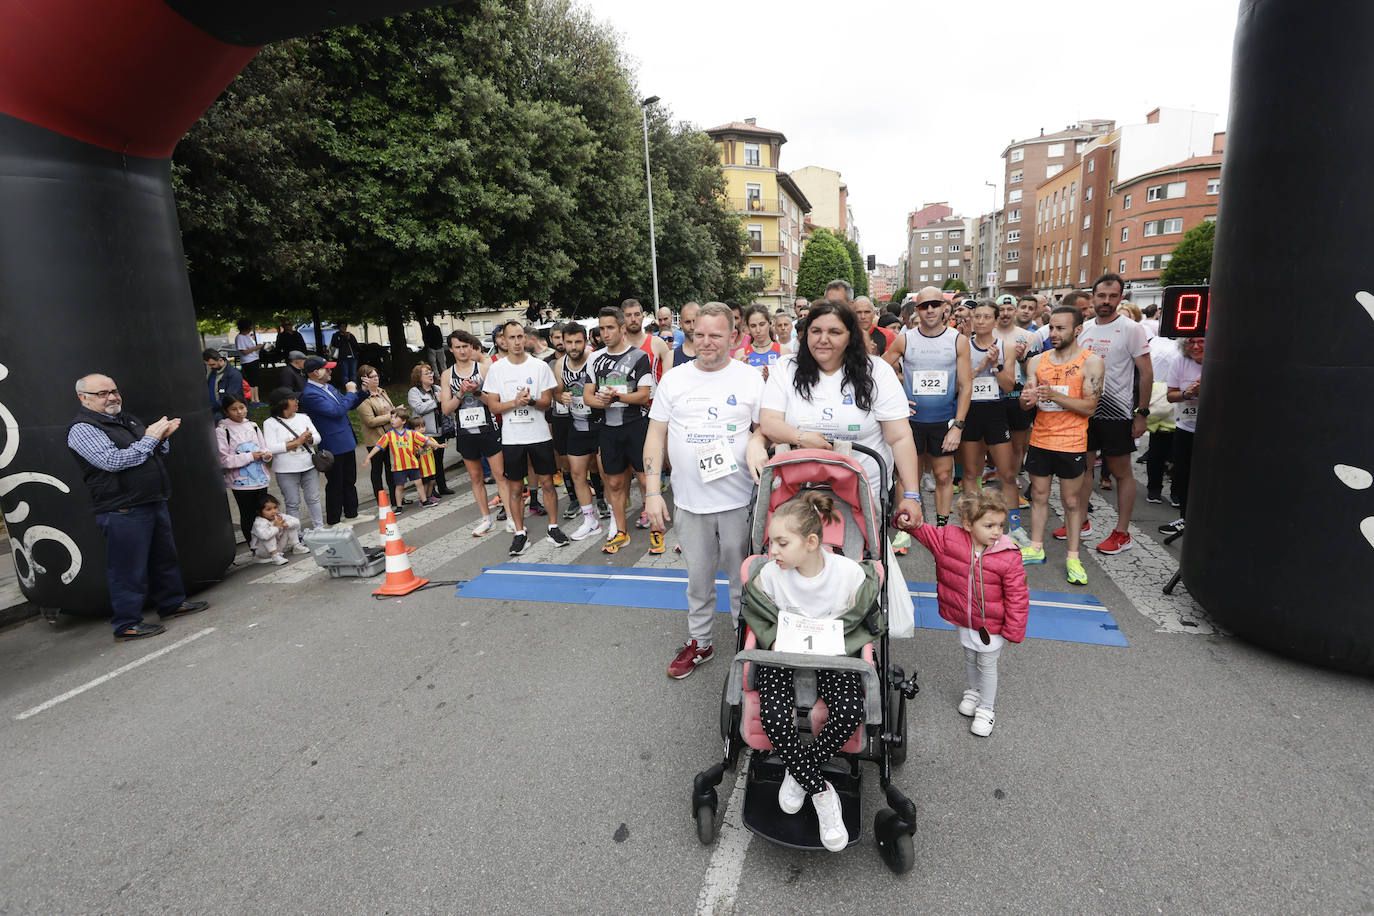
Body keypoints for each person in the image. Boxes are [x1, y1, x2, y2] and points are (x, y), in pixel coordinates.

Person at [751, 299, 922, 630]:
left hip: (861, 493)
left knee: (851, 566)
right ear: (805, 333)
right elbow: (770, 422)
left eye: (834, 331)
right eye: (815, 330)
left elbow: (900, 438)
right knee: (796, 560)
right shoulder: (787, 370)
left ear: (850, 336)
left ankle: (850, 631)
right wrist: (803, 438)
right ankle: (796, 623)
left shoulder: (876, 372)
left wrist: (911, 495)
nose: (823, 339)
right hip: (797, 489)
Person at [738, 491, 878, 852]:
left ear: (812, 542)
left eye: (782, 543)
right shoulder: (769, 575)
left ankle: (799, 773)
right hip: (784, 652)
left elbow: (863, 617)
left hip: (833, 651)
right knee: (773, 714)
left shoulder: (848, 574)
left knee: (850, 711)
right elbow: (758, 615)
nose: (773, 552)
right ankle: (819, 788)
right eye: (771, 543)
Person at [644, 302, 765, 678]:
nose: (707, 342)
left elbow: (767, 427)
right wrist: (651, 492)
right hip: (689, 503)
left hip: (738, 501)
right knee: (697, 580)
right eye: (700, 334)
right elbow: (655, 435)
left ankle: (745, 646)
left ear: (733, 336)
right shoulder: (675, 379)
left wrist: (757, 441)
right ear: (690, 335)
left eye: (716, 335)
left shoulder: (750, 379)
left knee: (741, 581)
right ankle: (701, 643)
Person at [67, 374, 208, 641]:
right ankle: (127, 624)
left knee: (164, 558)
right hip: (122, 508)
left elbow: (151, 453)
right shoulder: (83, 429)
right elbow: (112, 461)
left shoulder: (127, 419)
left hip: (151, 499)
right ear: (82, 397)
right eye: (102, 393)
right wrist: (150, 438)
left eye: (114, 390)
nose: (111, 397)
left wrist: (161, 438)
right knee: (127, 569)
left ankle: (171, 603)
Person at [908, 488, 1028, 737]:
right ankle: (974, 692)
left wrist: (1013, 631)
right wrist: (906, 520)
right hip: (965, 619)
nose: (997, 532)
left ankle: (986, 709)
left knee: (987, 663)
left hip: (993, 625)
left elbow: (1018, 597)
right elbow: (924, 533)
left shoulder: (1008, 554)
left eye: (1000, 525)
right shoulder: (950, 540)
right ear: (967, 525)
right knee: (971, 657)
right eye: (989, 525)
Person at [1018, 306, 1105, 585]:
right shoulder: (1037, 361)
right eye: (1051, 328)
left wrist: (1054, 394)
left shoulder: (1091, 362)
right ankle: (1035, 547)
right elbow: (1026, 400)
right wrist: (1027, 399)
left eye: (1060, 329)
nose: (1053, 334)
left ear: (1077, 330)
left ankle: (1072, 557)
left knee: (1071, 502)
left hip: (1072, 442)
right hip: (1041, 439)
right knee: (1039, 496)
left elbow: (1090, 407)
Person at [1068, 273, 1152, 555]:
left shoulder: (1132, 329)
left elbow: (1146, 373)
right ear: (1092, 297)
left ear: (1121, 297)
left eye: (1113, 296)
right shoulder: (1085, 328)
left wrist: (1142, 413)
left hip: (1117, 412)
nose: (1106, 301)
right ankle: (1082, 522)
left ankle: (1122, 532)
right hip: (1087, 412)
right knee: (1084, 469)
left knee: (1121, 472)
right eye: (1101, 296)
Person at [883, 286, 971, 527]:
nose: (929, 310)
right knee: (907, 476)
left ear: (944, 307)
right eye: (923, 306)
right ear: (917, 310)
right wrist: (898, 399)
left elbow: (966, 386)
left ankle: (942, 527)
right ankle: (905, 527)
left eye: (934, 304)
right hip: (911, 422)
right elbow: (878, 372)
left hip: (943, 421)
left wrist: (958, 427)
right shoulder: (905, 339)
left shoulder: (958, 341)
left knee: (943, 476)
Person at [482, 320, 569, 555]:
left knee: (548, 483)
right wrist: (515, 402)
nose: (517, 342)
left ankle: (553, 527)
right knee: (514, 488)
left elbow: (546, 403)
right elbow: (493, 406)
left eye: (520, 336)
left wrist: (530, 400)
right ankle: (520, 533)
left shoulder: (539, 367)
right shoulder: (497, 369)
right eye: (512, 338)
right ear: (503, 340)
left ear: (526, 338)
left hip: (538, 435)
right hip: (512, 438)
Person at [585, 306, 657, 554]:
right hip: (609, 429)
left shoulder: (639, 356)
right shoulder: (595, 358)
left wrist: (615, 398)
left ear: (622, 328)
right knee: (614, 483)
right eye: (601, 328)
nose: (605, 333)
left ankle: (656, 532)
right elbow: (587, 396)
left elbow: (644, 396)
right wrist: (601, 401)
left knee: (647, 480)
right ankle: (621, 533)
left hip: (636, 425)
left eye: (610, 328)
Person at [961, 302, 1023, 538]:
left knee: (1007, 474)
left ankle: (1015, 527)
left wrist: (996, 365)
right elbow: (960, 383)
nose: (981, 321)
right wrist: (980, 367)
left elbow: (1008, 386)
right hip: (971, 411)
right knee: (970, 473)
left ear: (996, 321)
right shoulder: (964, 346)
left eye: (987, 316)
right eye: (977, 316)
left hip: (996, 412)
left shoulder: (1005, 346)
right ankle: (972, 523)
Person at [440, 329, 503, 537]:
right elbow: (446, 409)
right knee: (476, 478)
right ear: (451, 350)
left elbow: (496, 403)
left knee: (499, 475)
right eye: (457, 347)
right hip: (465, 432)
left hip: (488, 428)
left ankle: (512, 516)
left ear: (471, 347)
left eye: (465, 346)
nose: (462, 351)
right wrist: (461, 392)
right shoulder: (447, 375)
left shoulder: (484, 368)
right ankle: (486, 519)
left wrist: (477, 392)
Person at [552, 322, 604, 541]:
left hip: (601, 424)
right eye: (569, 342)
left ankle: (615, 521)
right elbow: (557, 392)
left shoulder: (596, 360)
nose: (573, 347)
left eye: (578, 342)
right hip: (577, 425)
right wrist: (560, 397)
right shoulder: (560, 364)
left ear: (586, 341)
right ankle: (590, 520)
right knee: (576, 474)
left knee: (608, 475)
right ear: (563, 342)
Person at [297, 356, 363, 526]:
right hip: (332, 443)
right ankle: (334, 520)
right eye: (327, 369)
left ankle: (351, 513)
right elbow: (336, 411)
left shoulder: (329, 387)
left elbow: (348, 404)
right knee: (335, 483)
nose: (330, 371)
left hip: (345, 439)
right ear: (314, 373)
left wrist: (364, 392)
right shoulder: (310, 394)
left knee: (349, 479)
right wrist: (350, 392)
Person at [262, 387, 324, 537]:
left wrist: (309, 439)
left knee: (313, 498)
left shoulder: (303, 417)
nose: (296, 402)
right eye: (292, 399)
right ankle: (297, 536)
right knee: (292, 503)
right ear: (282, 403)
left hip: (308, 465)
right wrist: (297, 442)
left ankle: (319, 529)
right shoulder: (270, 423)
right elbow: (270, 447)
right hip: (286, 470)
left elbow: (317, 437)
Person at [216, 392, 273, 545]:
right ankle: (254, 547)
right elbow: (224, 460)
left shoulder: (253, 426)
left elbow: (263, 448)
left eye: (242, 407)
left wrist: (266, 455)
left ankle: (268, 545)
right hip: (241, 483)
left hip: (260, 479)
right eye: (234, 409)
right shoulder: (223, 430)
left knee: (264, 513)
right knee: (248, 515)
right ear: (226, 411)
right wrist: (249, 457)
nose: (239, 412)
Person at [1161, 336, 1204, 535]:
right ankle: (1185, 518)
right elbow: (1171, 395)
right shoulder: (1180, 361)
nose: (1195, 346)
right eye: (1191, 342)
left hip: (1213, 432)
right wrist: (1187, 394)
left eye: (1201, 341)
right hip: (1186, 428)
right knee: (1182, 475)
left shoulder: (1221, 359)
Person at [364, 407, 435, 508]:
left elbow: (425, 441)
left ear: (403, 421)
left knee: (419, 483)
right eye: (391, 417)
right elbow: (378, 446)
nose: (392, 419)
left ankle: (424, 501)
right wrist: (369, 456)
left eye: (395, 417)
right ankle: (399, 506)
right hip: (398, 467)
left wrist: (437, 445)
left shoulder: (411, 433)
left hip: (412, 464)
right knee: (399, 487)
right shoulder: (389, 435)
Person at [407, 363, 453, 496]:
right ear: (419, 377)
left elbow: (447, 401)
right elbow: (419, 408)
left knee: (439, 461)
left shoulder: (437, 388)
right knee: (427, 463)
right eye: (426, 373)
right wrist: (435, 401)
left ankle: (442, 486)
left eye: (431, 372)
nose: (431, 375)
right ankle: (430, 490)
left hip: (440, 430)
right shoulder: (414, 392)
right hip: (424, 433)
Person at [355, 364, 396, 505]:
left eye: (376, 375)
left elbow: (391, 409)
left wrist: (395, 413)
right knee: (377, 470)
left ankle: (396, 499)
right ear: (364, 379)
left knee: (392, 468)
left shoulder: (382, 392)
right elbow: (370, 421)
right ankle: (381, 501)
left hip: (390, 436)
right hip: (375, 439)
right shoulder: (362, 398)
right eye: (372, 377)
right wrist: (392, 416)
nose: (376, 379)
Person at [249, 492, 304, 564]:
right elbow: (265, 536)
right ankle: (274, 556)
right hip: (263, 552)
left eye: (275, 508)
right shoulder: (259, 522)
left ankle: (296, 546)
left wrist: (284, 524)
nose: (273, 511)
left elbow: (296, 521)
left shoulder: (278, 516)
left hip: (278, 548)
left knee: (290, 525)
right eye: (268, 509)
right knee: (269, 534)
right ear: (259, 511)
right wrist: (277, 527)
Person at [736, 303, 786, 378]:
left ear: (770, 323)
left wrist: (772, 379)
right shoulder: (740, 355)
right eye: (753, 326)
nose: (758, 330)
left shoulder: (784, 352)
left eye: (762, 324)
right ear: (748, 327)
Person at [204, 348, 246, 421]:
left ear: (220, 360)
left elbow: (230, 398)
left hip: (226, 413)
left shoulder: (234, 375)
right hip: (213, 410)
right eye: (208, 365)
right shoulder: (213, 372)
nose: (210, 367)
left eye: (212, 364)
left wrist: (212, 406)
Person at [234, 319, 263, 403]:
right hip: (247, 362)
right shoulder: (239, 337)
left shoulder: (247, 336)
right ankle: (252, 399)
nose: (250, 329)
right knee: (252, 381)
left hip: (254, 360)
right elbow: (244, 352)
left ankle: (257, 399)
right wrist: (256, 347)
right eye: (249, 327)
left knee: (256, 380)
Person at [667, 301, 700, 369]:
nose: (692, 327)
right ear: (680, 323)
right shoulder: (671, 357)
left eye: (695, 321)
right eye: (687, 322)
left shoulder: (712, 353)